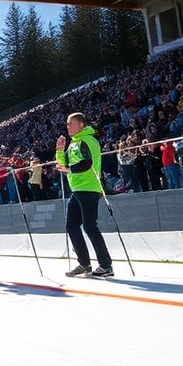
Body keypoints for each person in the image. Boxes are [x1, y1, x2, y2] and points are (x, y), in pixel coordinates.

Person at [55, 112, 115, 278]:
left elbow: (87, 164)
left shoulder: (88, 140)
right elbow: (63, 164)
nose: (67, 126)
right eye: (67, 124)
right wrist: (59, 150)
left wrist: (69, 170)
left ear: (81, 124)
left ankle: (106, 265)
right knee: (72, 226)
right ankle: (84, 263)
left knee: (89, 226)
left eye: (70, 123)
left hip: (89, 188)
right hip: (77, 189)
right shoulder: (74, 143)